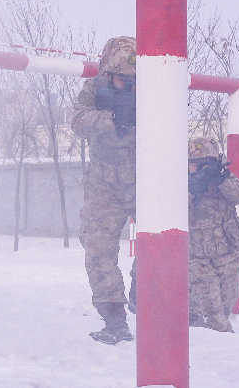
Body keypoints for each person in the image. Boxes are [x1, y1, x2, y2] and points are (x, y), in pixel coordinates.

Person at [71, 36, 137, 345]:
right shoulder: (95, 89)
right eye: (122, 78)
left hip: (145, 178)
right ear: (109, 73)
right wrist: (111, 118)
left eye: (133, 78)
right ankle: (113, 319)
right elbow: (77, 119)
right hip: (103, 181)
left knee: (161, 246)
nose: (127, 84)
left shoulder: (154, 90)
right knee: (97, 249)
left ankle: (144, 294)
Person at [187, 137, 239, 332]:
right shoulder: (179, 183)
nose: (200, 169)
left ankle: (201, 340)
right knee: (215, 317)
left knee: (224, 307)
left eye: (205, 164)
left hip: (228, 254)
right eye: (195, 165)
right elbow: (169, 210)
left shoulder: (221, 177)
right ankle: (225, 348)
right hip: (198, 259)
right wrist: (192, 189)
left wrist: (221, 178)